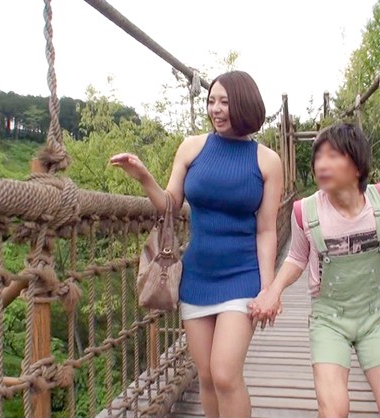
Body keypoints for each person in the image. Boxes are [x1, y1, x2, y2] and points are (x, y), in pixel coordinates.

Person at [250, 123, 380, 418]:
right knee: (334, 411)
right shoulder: (304, 211)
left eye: (333, 155)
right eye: (318, 156)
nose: (322, 164)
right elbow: (297, 258)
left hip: (375, 317)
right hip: (329, 320)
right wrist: (273, 291)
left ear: (358, 166)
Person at [110, 70, 283, 417]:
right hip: (198, 277)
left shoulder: (267, 160)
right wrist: (144, 177)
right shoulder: (192, 147)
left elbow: (266, 230)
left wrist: (268, 289)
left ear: (245, 105)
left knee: (225, 375)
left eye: (225, 102)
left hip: (242, 277)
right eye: (211, 101)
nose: (215, 109)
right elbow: (170, 205)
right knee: (206, 376)